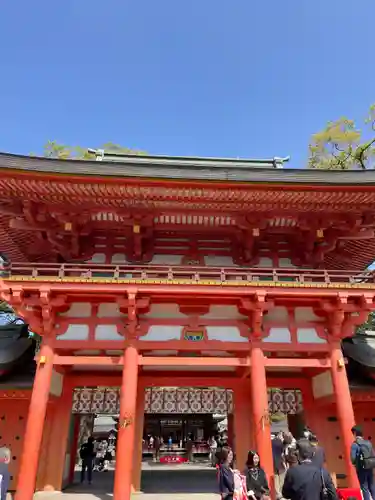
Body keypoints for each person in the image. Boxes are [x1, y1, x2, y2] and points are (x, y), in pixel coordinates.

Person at [350, 426, 375, 500]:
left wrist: (356, 464)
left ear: (355, 433)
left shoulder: (355, 444)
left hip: (361, 468)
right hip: (370, 466)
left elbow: (353, 459)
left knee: (364, 487)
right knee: (371, 485)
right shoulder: (368, 443)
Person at [272, 431, 286, 499]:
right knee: (281, 478)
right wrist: (284, 464)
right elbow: (282, 454)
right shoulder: (280, 443)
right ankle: (281, 492)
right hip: (280, 462)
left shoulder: (271, 442)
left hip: (273, 462)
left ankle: (277, 493)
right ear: (280, 435)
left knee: (275, 478)